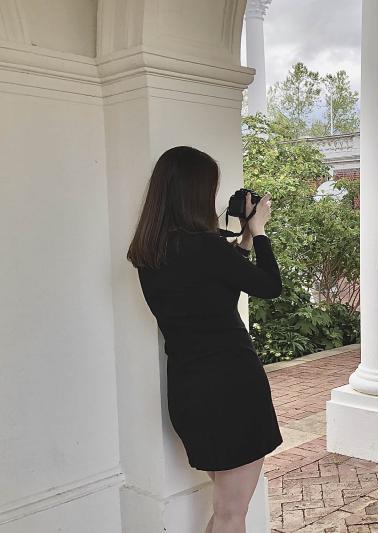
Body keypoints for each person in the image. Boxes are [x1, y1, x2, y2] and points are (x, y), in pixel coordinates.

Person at [127, 146, 282, 533]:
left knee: (227, 507)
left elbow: (215, 295)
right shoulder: (207, 249)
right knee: (233, 512)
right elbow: (270, 286)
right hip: (231, 388)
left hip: (190, 391)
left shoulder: (149, 251)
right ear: (195, 193)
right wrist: (259, 231)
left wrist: (242, 241)